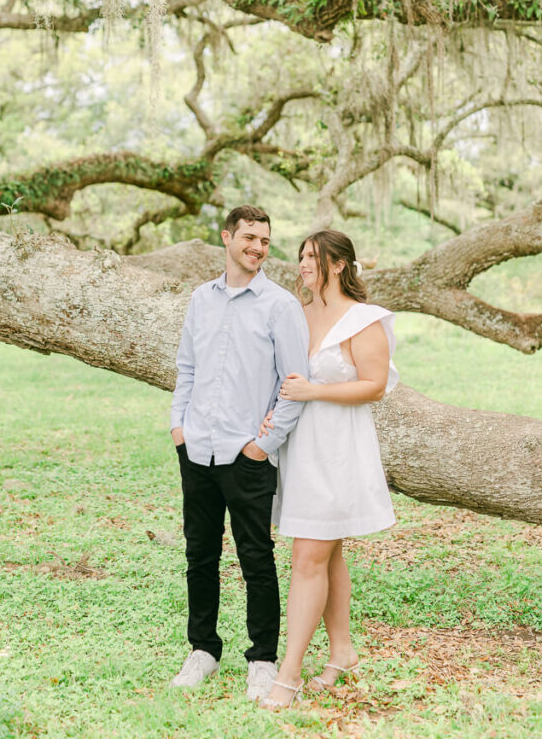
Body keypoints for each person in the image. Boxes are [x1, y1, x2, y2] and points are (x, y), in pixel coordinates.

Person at [169, 205, 309, 700]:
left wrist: (261, 446)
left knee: (256, 557)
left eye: (265, 241)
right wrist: (178, 426)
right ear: (227, 238)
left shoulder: (280, 305)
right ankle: (203, 650)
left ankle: (263, 660)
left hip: (247, 455)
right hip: (197, 449)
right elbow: (186, 368)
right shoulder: (200, 300)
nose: (257, 247)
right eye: (249, 237)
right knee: (199, 554)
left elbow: (295, 385)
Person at [260, 229, 398, 709]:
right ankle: (342, 651)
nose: (302, 264)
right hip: (301, 451)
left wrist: (313, 391)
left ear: (338, 264)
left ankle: (289, 674)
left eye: (312, 257)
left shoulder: (363, 319)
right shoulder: (297, 316)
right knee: (328, 553)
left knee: (307, 558)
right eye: (300, 256)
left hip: (340, 451)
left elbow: (375, 385)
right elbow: (282, 378)